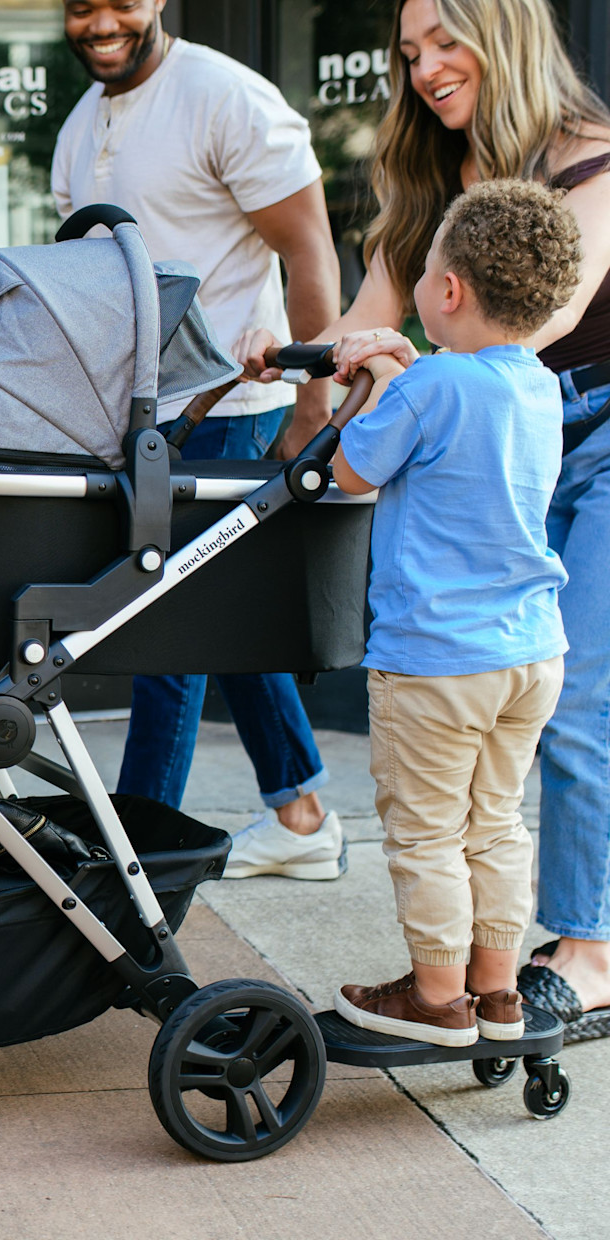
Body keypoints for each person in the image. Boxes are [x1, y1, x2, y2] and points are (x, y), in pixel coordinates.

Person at [238, 0, 610, 1036]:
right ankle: (494, 986)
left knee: (559, 718)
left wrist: (402, 382)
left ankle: (560, 957)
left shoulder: (593, 164)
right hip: (523, 457)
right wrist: (298, 355)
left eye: (446, 40)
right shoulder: (432, 190)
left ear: (507, 34)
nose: (426, 68)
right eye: (409, 53)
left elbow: (545, 320)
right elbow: (373, 327)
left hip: (595, 437)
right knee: (495, 811)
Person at [52, 0, 347, 880]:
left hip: (232, 404)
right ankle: (299, 815)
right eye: (80, 6)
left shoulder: (226, 97)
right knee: (212, 612)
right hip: (144, 417)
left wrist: (312, 401)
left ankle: (135, 855)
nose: (101, 21)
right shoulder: (82, 124)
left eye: (120, 2)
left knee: (164, 625)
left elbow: (309, 250)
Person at [331, 179, 579, 1046]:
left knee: (427, 830)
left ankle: (435, 998)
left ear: (448, 291)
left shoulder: (429, 389)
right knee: (496, 823)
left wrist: (376, 377)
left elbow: (354, 469)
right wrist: (410, 372)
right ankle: (499, 992)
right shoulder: (540, 386)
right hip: (529, 654)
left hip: (436, 660)